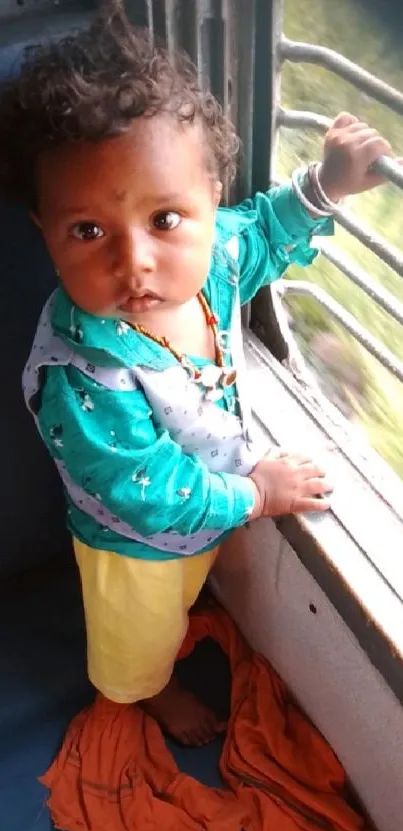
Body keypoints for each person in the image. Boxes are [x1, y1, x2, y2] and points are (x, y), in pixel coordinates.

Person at [0, 3, 393, 746]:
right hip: (133, 545)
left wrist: (325, 186)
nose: (135, 261)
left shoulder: (210, 263)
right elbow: (141, 495)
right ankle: (143, 692)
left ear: (211, 198)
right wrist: (256, 493)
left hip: (211, 512)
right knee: (136, 634)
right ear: (43, 232)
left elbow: (264, 232)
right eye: (88, 231)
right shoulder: (83, 372)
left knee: (187, 590)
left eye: (165, 218)